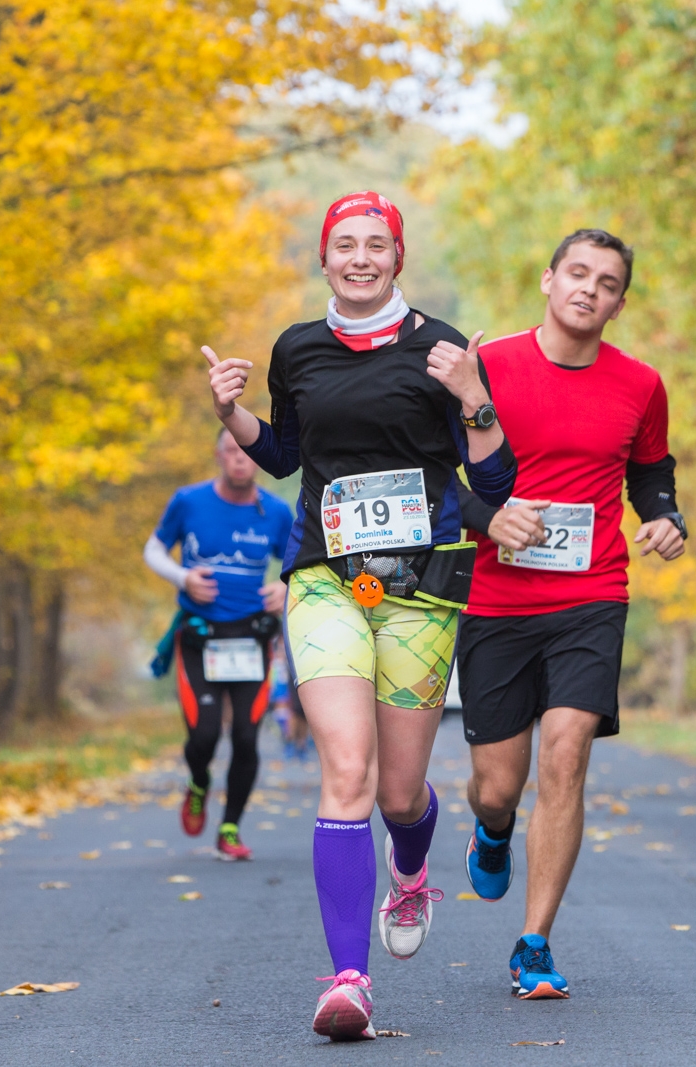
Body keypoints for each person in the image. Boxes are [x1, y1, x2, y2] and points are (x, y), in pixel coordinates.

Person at [203, 191, 516, 1040]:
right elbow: (283, 454)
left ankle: (410, 864)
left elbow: (493, 485)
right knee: (345, 767)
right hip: (327, 581)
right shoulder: (297, 347)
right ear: (324, 256)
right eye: (345, 244)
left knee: (399, 791)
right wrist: (231, 410)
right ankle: (348, 981)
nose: (360, 257)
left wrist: (474, 394)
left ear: (398, 257)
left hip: (421, 587)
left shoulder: (443, 348)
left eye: (377, 244)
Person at [456, 229, 686, 999]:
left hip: (592, 593)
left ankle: (534, 941)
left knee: (566, 753)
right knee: (498, 784)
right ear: (548, 279)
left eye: (608, 282)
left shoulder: (641, 384)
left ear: (620, 302)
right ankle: (492, 832)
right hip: (495, 598)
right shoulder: (488, 366)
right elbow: (437, 470)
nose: (590, 288)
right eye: (578, 273)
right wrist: (488, 517)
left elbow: (651, 469)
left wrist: (666, 516)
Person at [144, 429, 292, 860]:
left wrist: (285, 588)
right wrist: (183, 578)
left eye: (248, 452)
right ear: (219, 456)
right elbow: (153, 551)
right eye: (232, 450)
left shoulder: (277, 512)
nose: (241, 459)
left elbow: (299, 565)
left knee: (246, 738)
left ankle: (230, 828)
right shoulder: (189, 501)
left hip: (252, 638)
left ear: (258, 460)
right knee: (204, 735)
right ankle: (199, 783)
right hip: (199, 635)